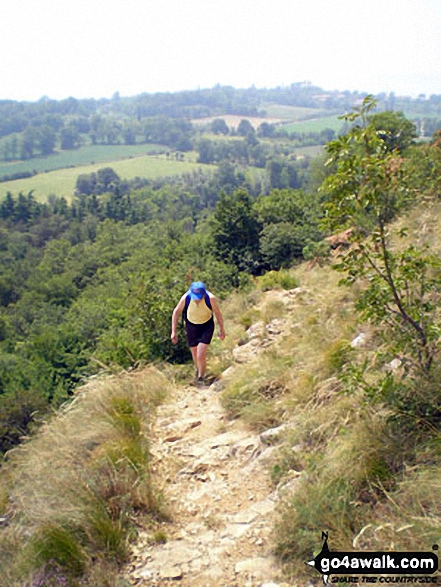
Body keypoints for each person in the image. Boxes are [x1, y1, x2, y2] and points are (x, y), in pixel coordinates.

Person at [171, 281, 225, 384]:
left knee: (201, 353)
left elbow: (218, 313)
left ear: (204, 293)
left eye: (199, 296)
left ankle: (201, 378)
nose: (197, 299)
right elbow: (176, 312)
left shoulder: (210, 298)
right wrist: (173, 331)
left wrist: (221, 329)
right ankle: (198, 371)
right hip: (191, 326)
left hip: (206, 326)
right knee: (194, 352)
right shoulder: (185, 298)